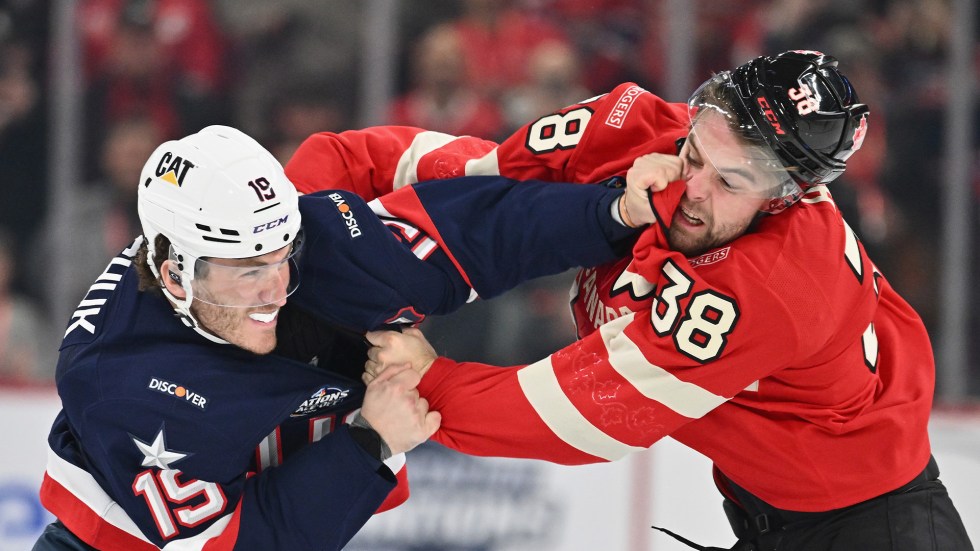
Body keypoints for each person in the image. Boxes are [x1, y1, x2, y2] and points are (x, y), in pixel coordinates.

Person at [293, 52, 974, 550]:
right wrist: (297, 198)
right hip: (771, 507)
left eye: (731, 179)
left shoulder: (774, 284)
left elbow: (589, 413)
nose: (694, 185)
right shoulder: (631, 127)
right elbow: (472, 173)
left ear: (786, 196)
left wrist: (426, 383)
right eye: (695, 149)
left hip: (875, 528)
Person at [34, 125, 660, 550]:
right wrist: (370, 442)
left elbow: (476, 235)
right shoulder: (121, 385)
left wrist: (615, 214)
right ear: (175, 272)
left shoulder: (311, 248)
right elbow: (250, 542)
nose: (275, 290)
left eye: (282, 258)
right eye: (249, 272)